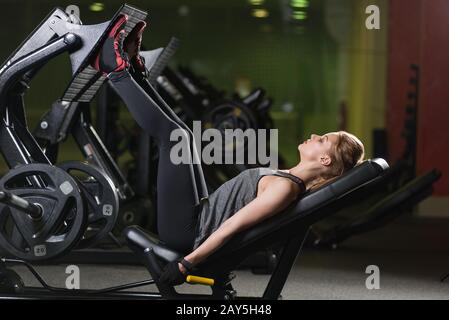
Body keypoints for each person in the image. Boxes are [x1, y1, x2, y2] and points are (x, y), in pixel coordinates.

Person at [93, 16, 365, 286]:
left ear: (325, 159)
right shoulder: (288, 180)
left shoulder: (285, 189)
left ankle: (113, 69)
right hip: (198, 214)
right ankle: (134, 70)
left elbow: (233, 227)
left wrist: (187, 264)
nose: (315, 136)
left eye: (323, 140)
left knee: (174, 138)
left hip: (189, 231)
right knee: (184, 136)